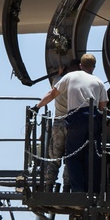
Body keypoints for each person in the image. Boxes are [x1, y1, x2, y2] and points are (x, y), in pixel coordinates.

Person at [34, 53, 108, 193]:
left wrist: (37, 107)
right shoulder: (98, 82)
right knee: (85, 155)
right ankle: (72, 187)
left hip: (68, 120)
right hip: (90, 120)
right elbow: (102, 108)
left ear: (80, 66)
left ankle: (51, 186)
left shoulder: (66, 78)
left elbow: (51, 93)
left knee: (61, 155)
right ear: (94, 67)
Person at [41, 58, 81, 191]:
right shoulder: (81, 85)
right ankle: (67, 187)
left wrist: (59, 72)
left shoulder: (58, 81)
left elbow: (54, 88)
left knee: (54, 156)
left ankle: (48, 185)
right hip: (73, 123)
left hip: (58, 122)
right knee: (71, 157)